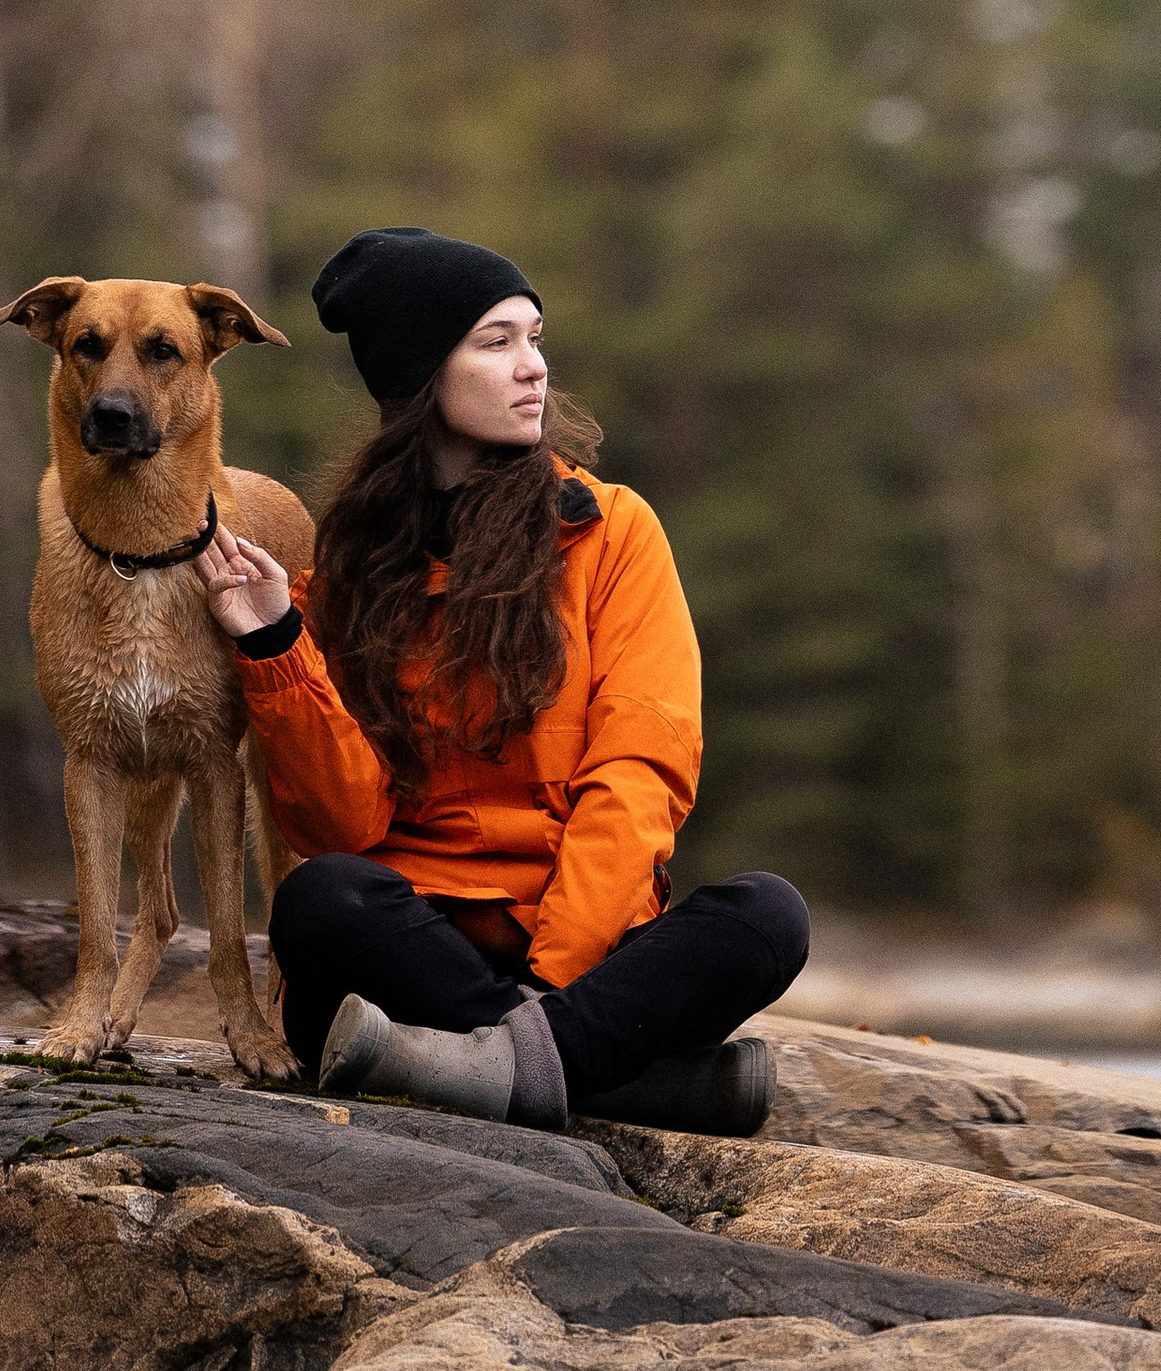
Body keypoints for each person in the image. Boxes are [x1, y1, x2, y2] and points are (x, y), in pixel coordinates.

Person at [194, 222, 808, 1133]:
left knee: (766, 916)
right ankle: (613, 1078)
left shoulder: (612, 532)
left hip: (581, 948)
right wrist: (276, 642)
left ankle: (479, 1065)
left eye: (535, 338)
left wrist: (548, 985)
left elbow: (641, 771)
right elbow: (341, 827)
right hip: (405, 953)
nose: (534, 368)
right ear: (419, 377)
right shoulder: (348, 578)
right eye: (496, 342)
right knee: (321, 901)